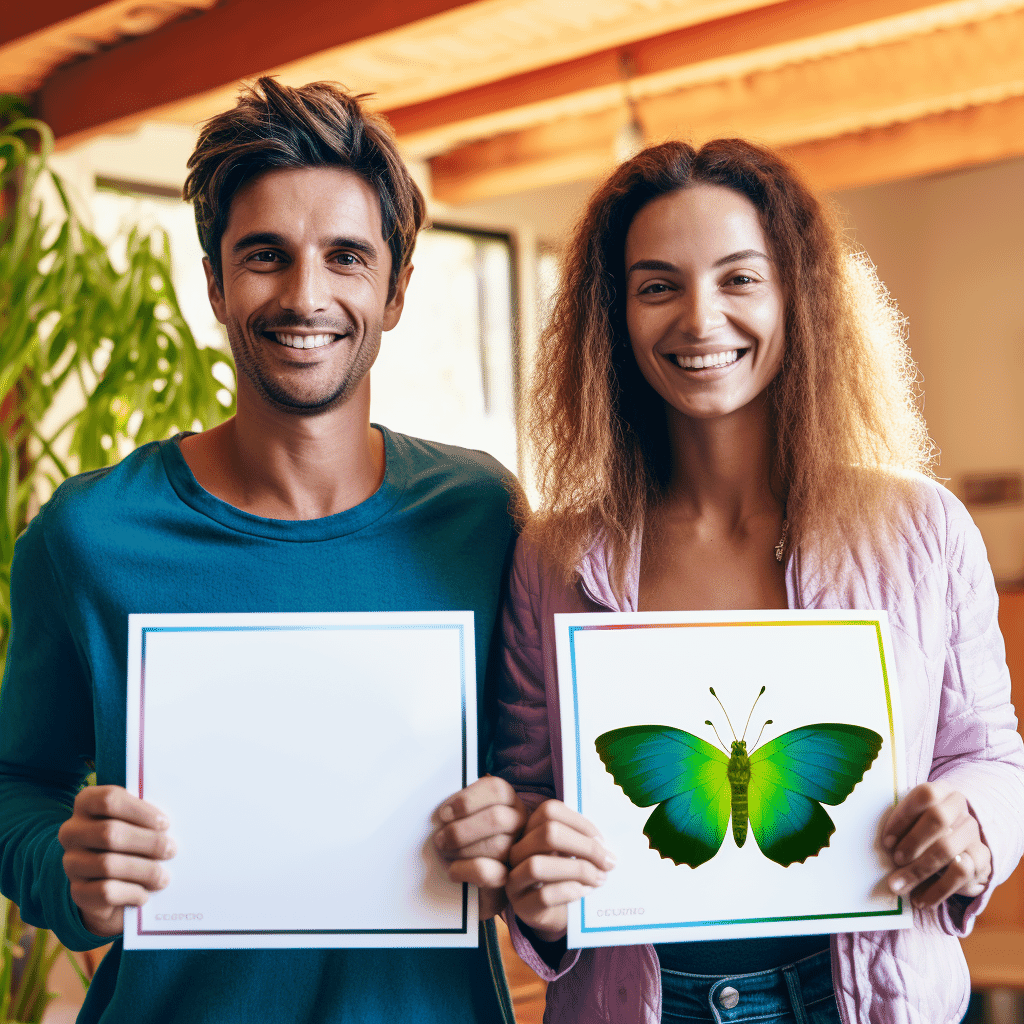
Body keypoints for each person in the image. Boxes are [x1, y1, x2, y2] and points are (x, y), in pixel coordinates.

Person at [0, 77, 527, 1024]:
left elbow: (546, 779)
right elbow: (16, 784)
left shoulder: (484, 516)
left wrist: (516, 826)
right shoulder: (87, 537)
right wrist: (62, 870)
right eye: (265, 257)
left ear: (397, 289)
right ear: (214, 283)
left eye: (347, 258)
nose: (305, 296)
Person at [493, 139, 1024, 1023]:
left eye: (741, 278)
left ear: (799, 297)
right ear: (612, 316)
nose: (701, 319)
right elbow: (526, 797)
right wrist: (537, 891)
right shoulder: (553, 555)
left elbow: (991, 754)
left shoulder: (924, 529)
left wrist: (974, 821)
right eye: (657, 285)